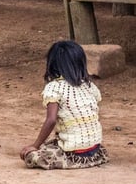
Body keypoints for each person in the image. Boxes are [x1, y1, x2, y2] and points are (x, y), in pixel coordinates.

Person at [19, 40, 108, 170]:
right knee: (53, 143)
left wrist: (35, 145)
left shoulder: (54, 88)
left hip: (73, 153)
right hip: (95, 150)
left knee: (32, 155)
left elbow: (51, 120)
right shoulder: (89, 85)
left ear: (52, 64)